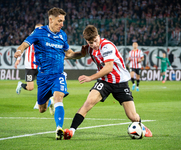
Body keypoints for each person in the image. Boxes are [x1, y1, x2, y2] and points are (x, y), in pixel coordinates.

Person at [63, 25, 152, 140]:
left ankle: (142, 126)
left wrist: (90, 77)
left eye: (95, 41)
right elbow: (80, 55)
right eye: (90, 42)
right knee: (88, 103)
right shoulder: (89, 47)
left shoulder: (107, 46)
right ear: (87, 41)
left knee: (132, 116)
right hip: (104, 82)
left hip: (120, 82)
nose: (94, 44)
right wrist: (65, 56)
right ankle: (71, 131)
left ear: (98, 36)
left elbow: (108, 68)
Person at [14, 7, 80, 140]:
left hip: (58, 75)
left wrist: (82, 53)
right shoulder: (39, 32)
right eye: (59, 21)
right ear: (51, 20)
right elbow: (25, 43)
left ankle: (58, 128)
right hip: (43, 77)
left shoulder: (62, 35)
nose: (62, 24)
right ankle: (47, 103)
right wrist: (20, 51)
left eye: (63, 21)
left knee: (59, 97)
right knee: (41, 109)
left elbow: (69, 53)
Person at [14, 24, 55, 114]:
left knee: (44, 84)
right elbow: (22, 49)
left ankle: (40, 102)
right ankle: (21, 85)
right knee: (30, 88)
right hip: (30, 67)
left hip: (40, 66)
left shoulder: (44, 39)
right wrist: (18, 60)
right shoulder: (30, 39)